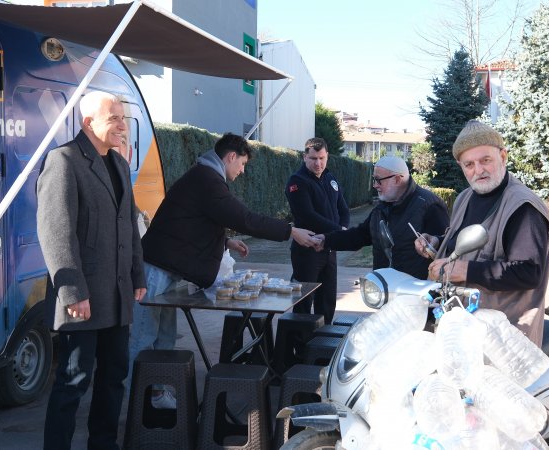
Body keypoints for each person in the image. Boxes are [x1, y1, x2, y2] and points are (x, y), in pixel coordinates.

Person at [130, 132, 318, 408]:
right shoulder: (207, 179)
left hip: (167, 268)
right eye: (242, 164)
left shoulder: (204, 176)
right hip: (155, 269)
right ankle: (134, 404)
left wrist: (225, 240)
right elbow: (243, 218)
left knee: (165, 337)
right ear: (231, 157)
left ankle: (157, 394)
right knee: (145, 339)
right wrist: (291, 231)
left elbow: (194, 220)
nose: (242, 171)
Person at [37, 90, 147, 450]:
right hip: (83, 298)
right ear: (89, 122)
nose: (123, 125)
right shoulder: (64, 160)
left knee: (114, 377)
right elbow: (56, 233)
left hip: (116, 296)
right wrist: (72, 292)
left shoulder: (117, 163)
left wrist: (137, 275)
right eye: (114, 117)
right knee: (73, 383)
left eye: (123, 117)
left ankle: (104, 445)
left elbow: (129, 226)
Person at [415, 120, 549, 346]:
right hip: (462, 328)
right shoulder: (465, 198)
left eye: (485, 160)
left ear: (503, 157)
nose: (478, 170)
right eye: (469, 164)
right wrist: (436, 243)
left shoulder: (523, 206)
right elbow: (463, 246)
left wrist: (464, 270)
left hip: (505, 338)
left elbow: (529, 272)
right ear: (461, 166)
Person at [313, 156, 449, 280]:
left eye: (378, 180)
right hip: (384, 288)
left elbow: (444, 248)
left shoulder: (430, 205)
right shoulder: (382, 207)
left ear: (397, 179)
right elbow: (360, 235)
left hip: (417, 293)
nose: (375, 185)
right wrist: (327, 240)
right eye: (374, 180)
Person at [285, 138, 350, 324]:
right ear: (305, 157)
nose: (318, 163)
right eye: (313, 158)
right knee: (303, 303)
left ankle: (323, 344)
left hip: (329, 249)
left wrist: (341, 231)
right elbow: (307, 215)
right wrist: (340, 231)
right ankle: (299, 349)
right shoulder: (297, 181)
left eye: (322, 158)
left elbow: (343, 209)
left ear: (327, 156)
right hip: (308, 251)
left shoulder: (330, 178)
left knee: (327, 301)